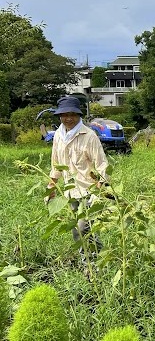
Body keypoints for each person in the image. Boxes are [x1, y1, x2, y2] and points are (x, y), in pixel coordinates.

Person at [46, 96, 110, 265]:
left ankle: (95, 264)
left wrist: (98, 191)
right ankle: (86, 263)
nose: (68, 118)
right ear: (59, 116)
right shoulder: (58, 136)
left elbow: (102, 166)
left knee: (85, 227)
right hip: (70, 191)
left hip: (89, 192)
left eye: (72, 114)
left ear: (79, 115)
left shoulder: (89, 136)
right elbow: (56, 165)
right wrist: (51, 187)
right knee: (77, 229)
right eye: (64, 115)